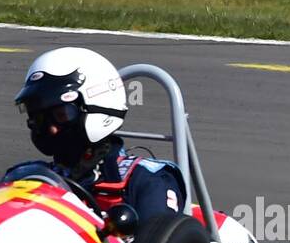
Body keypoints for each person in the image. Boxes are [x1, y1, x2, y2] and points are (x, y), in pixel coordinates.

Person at [11, 47, 184, 221]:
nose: (51, 129)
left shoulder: (146, 179)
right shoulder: (26, 177)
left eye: (61, 115)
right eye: (40, 119)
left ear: (95, 108)